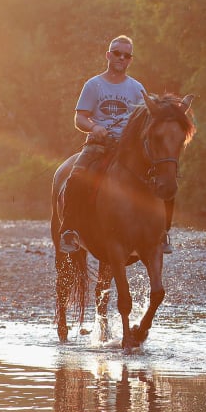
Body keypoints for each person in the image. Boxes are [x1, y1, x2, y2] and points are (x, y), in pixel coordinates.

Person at [58, 35, 174, 254]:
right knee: (77, 176)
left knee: (165, 175)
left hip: (128, 147)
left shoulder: (137, 88)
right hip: (98, 144)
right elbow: (79, 118)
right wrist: (94, 127)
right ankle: (69, 230)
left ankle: (163, 232)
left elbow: (147, 120)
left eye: (126, 55)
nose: (121, 58)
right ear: (108, 55)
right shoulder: (94, 85)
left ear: (130, 60)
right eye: (117, 53)